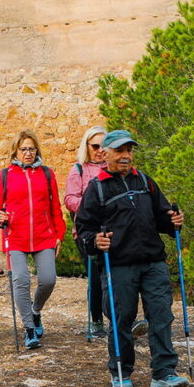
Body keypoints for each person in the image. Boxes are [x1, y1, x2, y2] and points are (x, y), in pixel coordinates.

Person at [74, 130, 188, 387]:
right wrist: (94, 242)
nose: (126, 156)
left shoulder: (145, 181)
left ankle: (164, 372)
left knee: (161, 315)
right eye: (120, 151)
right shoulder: (97, 189)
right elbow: (84, 229)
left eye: (129, 151)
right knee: (121, 318)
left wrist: (173, 223)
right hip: (118, 265)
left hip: (153, 261)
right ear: (105, 154)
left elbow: (163, 216)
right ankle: (121, 370)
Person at [0, 130, 65, 349]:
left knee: (49, 279)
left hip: (43, 236)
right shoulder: (5, 175)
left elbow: (55, 208)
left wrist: (59, 234)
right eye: (24, 149)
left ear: (37, 151)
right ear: (16, 151)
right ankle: (29, 328)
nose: (28, 153)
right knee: (20, 280)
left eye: (32, 149)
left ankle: (36, 310)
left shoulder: (47, 174)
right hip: (16, 237)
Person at [65, 125, 110, 338]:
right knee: (96, 276)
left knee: (115, 276)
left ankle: (118, 318)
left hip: (114, 230)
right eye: (95, 146)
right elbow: (70, 199)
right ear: (87, 146)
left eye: (104, 145)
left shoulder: (112, 169)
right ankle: (97, 320)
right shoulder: (79, 170)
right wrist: (92, 203)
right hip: (87, 232)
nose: (100, 150)